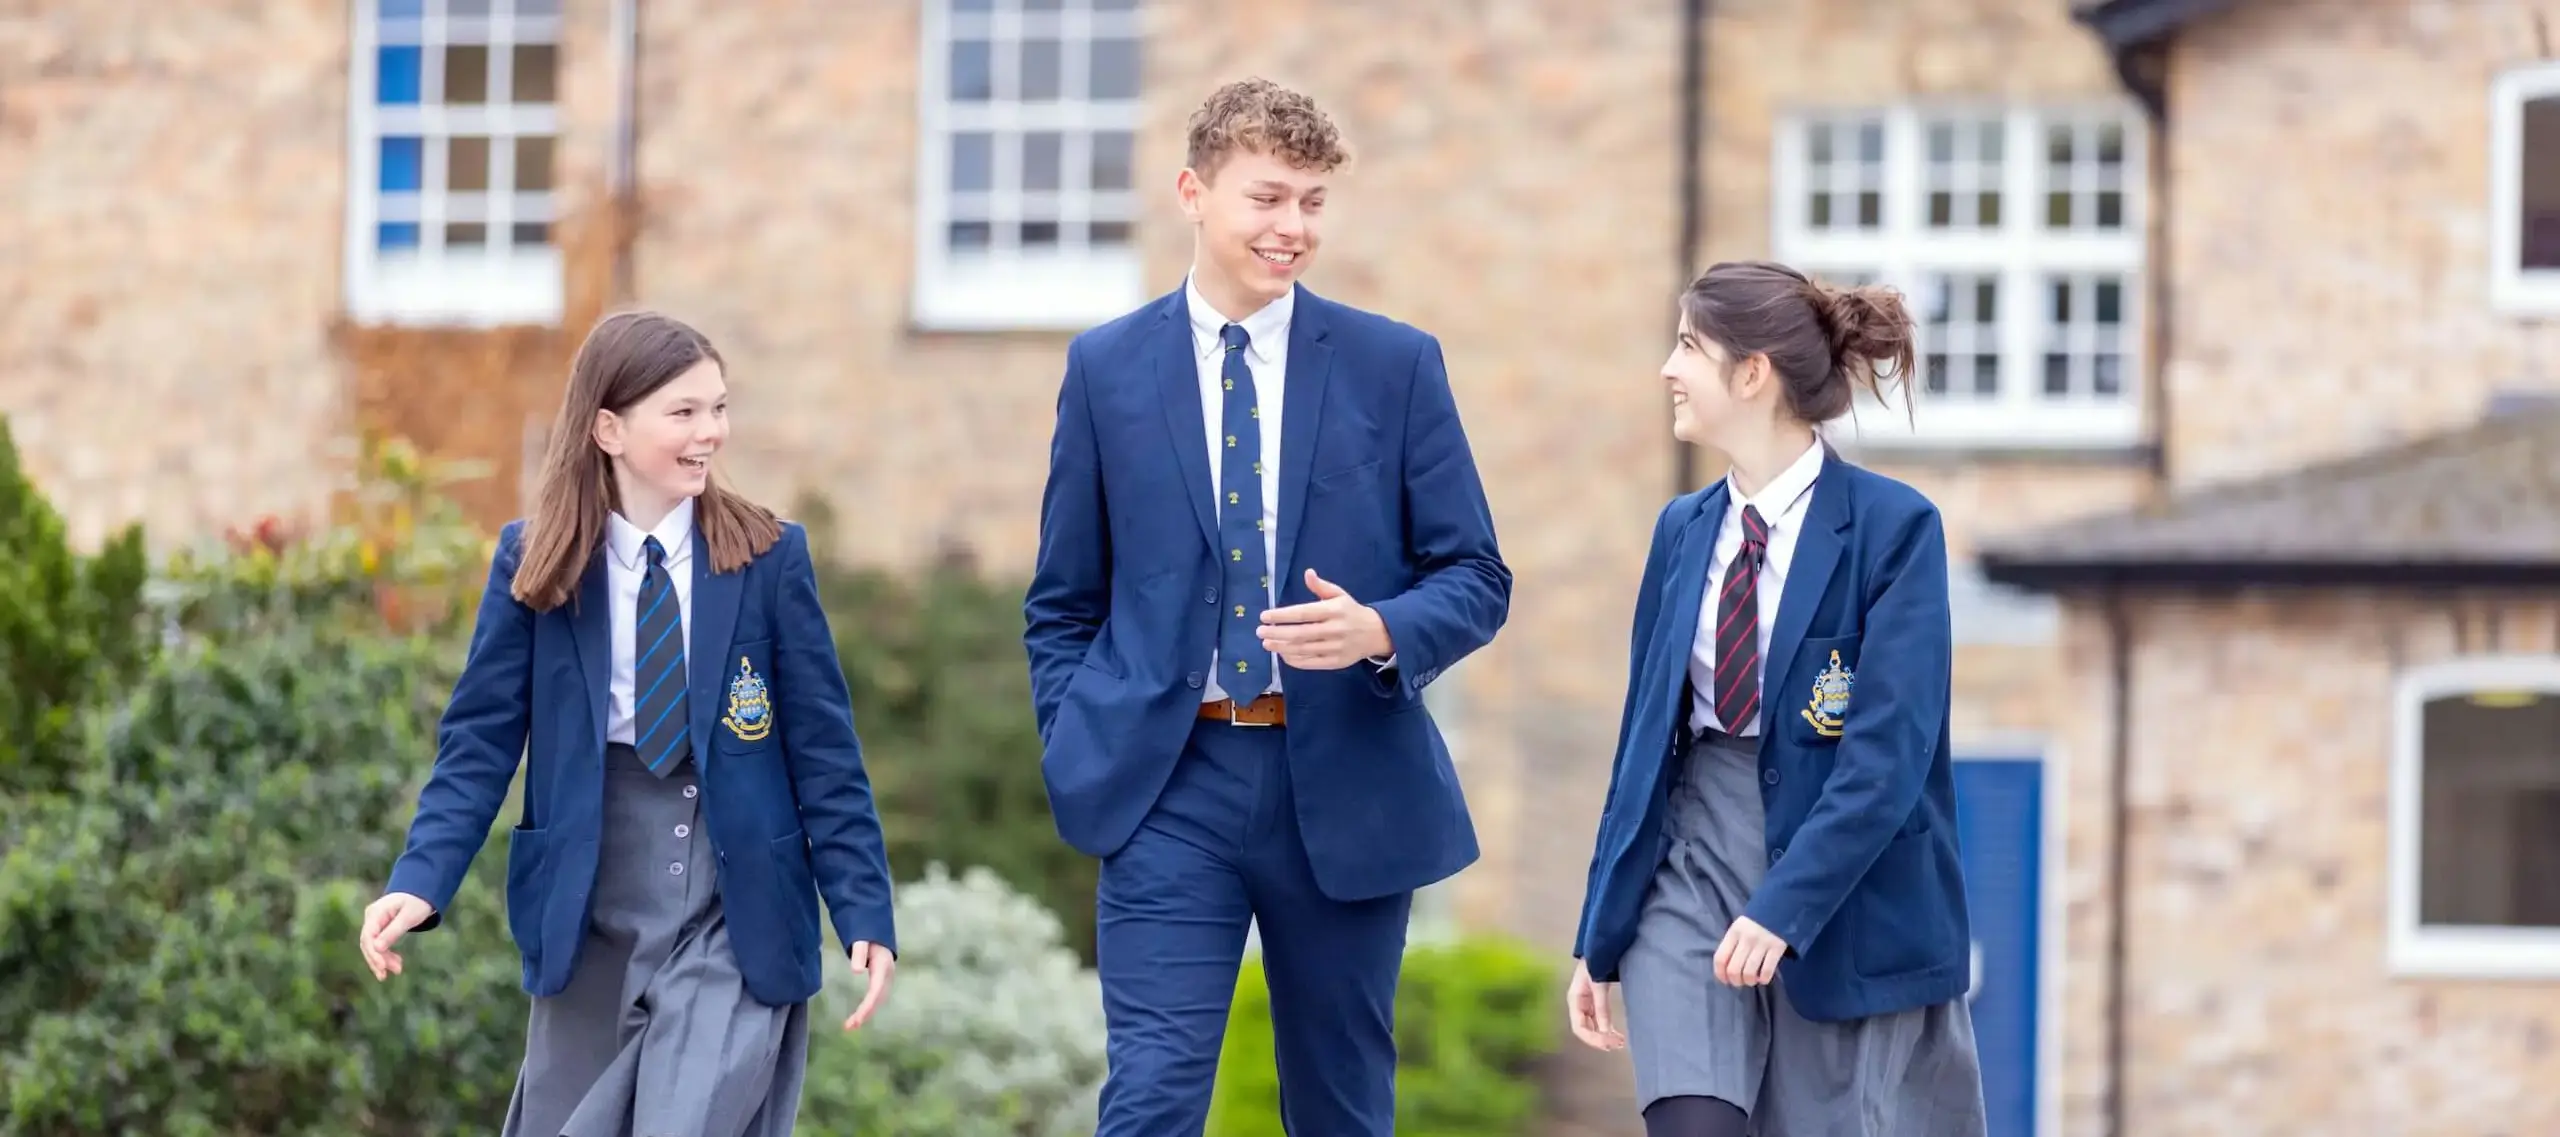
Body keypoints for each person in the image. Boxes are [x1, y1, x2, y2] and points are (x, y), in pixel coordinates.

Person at [1023, 77, 1511, 1136]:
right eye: (1268, 198)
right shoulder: (1105, 370)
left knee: (1339, 1106)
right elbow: (1062, 601)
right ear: (1193, 192)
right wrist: (1075, 737)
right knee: (1149, 1095)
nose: (1293, 228)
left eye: (1313, 203)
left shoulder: (1394, 366)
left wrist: (1380, 631)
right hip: (1167, 782)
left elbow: (1476, 575)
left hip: (1342, 780)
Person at [356, 310, 899, 1137]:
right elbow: (478, 745)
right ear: (608, 427)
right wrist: (418, 881)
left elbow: (825, 753)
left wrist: (862, 909)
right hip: (589, 899)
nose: (710, 431)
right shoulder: (534, 562)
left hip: (734, 903)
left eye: (718, 408)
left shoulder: (767, 557)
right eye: (683, 412)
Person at [1564, 262, 1989, 1137]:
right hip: (1694, 857)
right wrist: (1600, 930)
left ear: (1751, 373)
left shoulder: (1894, 529)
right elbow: (1643, 745)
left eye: (1688, 345)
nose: (1667, 369)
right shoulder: (1680, 528)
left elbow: (1889, 759)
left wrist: (1784, 905)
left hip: (1846, 874)